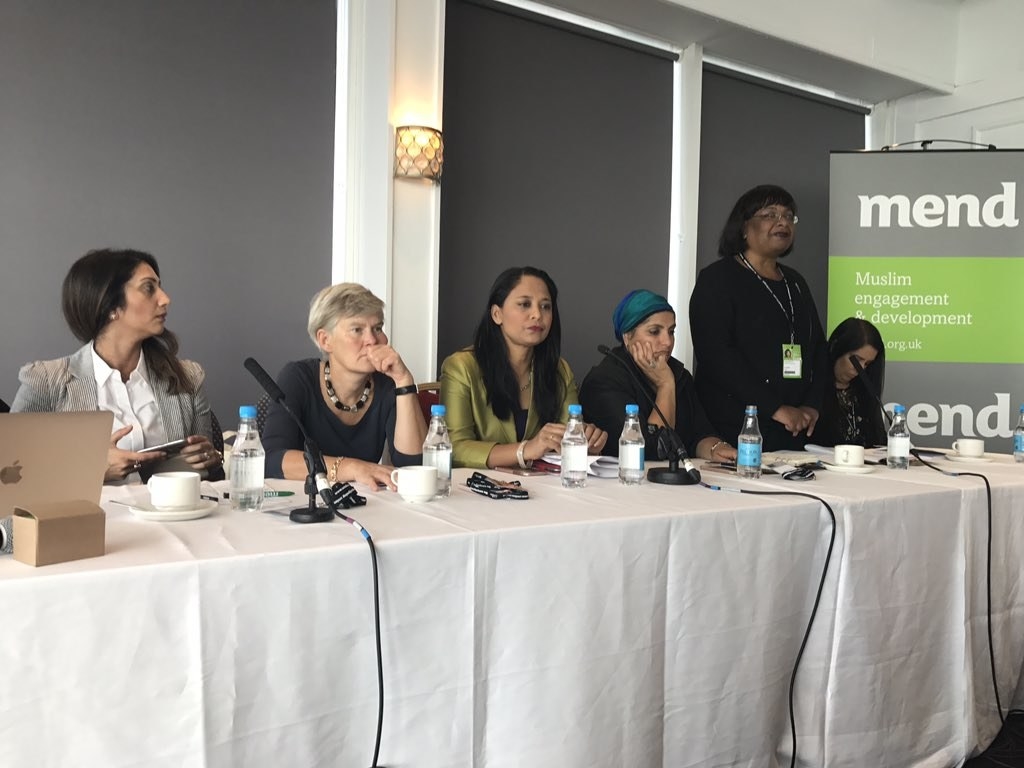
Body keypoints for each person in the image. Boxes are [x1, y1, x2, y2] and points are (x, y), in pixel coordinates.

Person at [11, 248, 222, 482]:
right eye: (148, 288)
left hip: (172, 507)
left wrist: (209, 459)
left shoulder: (188, 377)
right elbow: (8, 477)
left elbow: (209, 480)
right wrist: (92, 471)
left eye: (159, 287)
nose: (165, 299)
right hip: (88, 508)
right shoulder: (46, 383)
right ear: (110, 306)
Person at [689, 184, 827, 451]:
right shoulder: (717, 279)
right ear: (743, 227)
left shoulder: (795, 282)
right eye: (770, 214)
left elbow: (819, 348)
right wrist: (775, 408)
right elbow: (716, 356)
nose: (782, 222)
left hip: (793, 428)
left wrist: (812, 406)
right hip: (735, 430)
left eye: (788, 216)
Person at [262, 283, 426, 490]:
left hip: (364, 501)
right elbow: (272, 460)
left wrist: (404, 382)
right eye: (357, 330)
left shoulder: (387, 384)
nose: (372, 340)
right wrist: (352, 468)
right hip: (302, 500)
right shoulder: (298, 377)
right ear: (325, 340)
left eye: (377, 328)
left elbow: (414, 466)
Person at [440, 266, 608, 469]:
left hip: (542, 485)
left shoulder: (560, 370)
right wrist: (525, 449)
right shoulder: (461, 367)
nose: (537, 314)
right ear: (497, 314)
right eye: (524, 304)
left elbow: (566, 439)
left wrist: (586, 442)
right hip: (480, 485)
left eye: (545, 306)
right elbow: (454, 449)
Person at [579, 289, 737, 463]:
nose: (667, 342)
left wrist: (716, 448)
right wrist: (665, 385)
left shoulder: (680, 375)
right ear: (627, 337)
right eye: (654, 331)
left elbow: (700, 434)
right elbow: (649, 451)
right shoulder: (604, 380)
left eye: (671, 331)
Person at [815, 317, 888, 447]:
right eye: (856, 360)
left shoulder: (865, 392)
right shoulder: (813, 390)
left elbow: (879, 442)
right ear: (837, 348)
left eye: (867, 363)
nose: (861, 369)